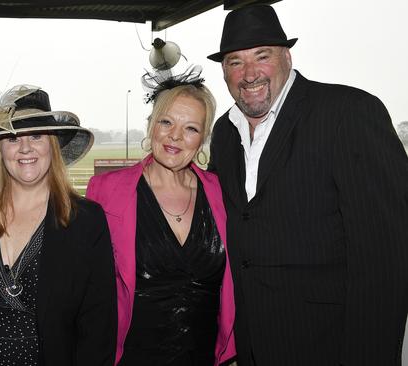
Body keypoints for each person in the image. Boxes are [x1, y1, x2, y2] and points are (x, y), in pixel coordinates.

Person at [207, 5, 408, 366]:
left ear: (286, 55)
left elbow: (387, 257)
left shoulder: (348, 113)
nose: (249, 73)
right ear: (224, 71)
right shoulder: (224, 131)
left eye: (261, 56)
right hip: (252, 346)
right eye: (235, 61)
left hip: (330, 344)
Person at [0, 85, 116, 366]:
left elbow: (98, 326)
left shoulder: (86, 221)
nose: (25, 148)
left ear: (52, 146)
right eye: (13, 138)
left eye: (37, 136)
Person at [86, 66, 236, 366]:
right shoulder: (107, 190)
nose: (175, 137)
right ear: (152, 125)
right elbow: (87, 286)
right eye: (166, 122)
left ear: (203, 137)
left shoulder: (222, 193)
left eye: (191, 128)